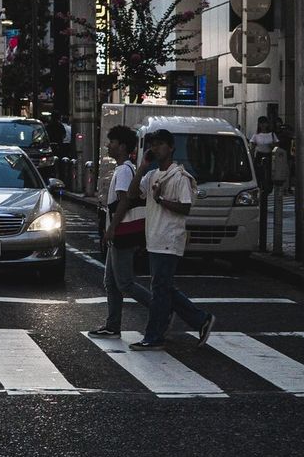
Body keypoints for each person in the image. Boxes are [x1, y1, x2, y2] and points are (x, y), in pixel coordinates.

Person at [125, 129, 216, 349]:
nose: (156, 148)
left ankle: (154, 335)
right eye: (153, 145)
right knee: (163, 287)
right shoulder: (153, 175)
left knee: (160, 288)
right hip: (155, 238)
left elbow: (185, 207)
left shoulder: (179, 177)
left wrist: (161, 199)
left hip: (169, 238)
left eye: (160, 144)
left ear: (171, 147)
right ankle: (200, 319)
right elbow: (131, 193)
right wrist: (143, 166)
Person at [88, 125, 151, 338]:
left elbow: (124, 202)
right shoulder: (124, 168)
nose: (108, 146)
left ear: (122, 147)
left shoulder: (124, 170)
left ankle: (161, 309)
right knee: (111, 282)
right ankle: (112, 325)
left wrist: (111, 229)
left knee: (124, 282)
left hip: (122, 233)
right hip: (120, 232)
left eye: (112, 142)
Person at [249, 116, 277, 195]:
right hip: (259, 155)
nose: (263, 125)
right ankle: (260, 187)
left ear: (267, 124)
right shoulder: (256, 135)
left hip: (269, 155)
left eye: (264, 123)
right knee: (259, 173)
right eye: (261, 123)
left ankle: (268, 188)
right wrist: (251, 158)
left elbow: (277, 146)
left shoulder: (272, 134)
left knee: (269, 173)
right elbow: (252, 147)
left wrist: (272, 145)